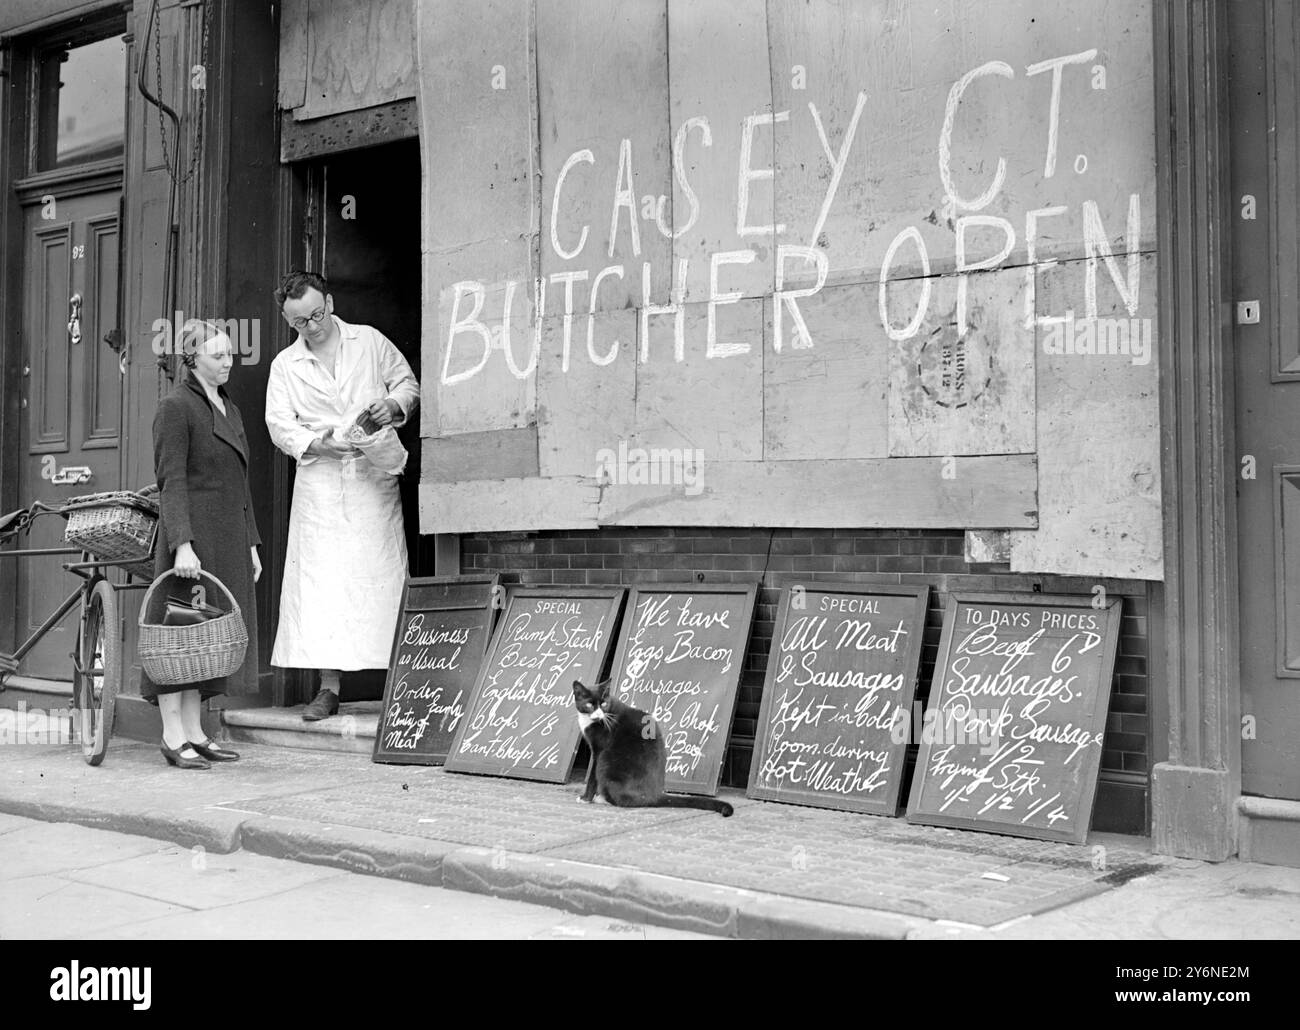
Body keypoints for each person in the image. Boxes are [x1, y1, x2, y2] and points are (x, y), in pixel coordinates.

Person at [265, 270, 420, 720]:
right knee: (323, 585)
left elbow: (407, 385)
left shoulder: (368, 341)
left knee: (380, 578)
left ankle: (399, 685)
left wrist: (393, 407)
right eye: (299, 322)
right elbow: (279, 423)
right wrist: (316, 445)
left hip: (372, 475)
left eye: (315, 315)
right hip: (321, 483)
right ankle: (328, 688)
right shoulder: (285, 365)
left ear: (329, 303)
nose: (311, 327)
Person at [146, 321, 261, 768]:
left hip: (228, 536)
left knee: (205, 638)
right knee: (182, 634)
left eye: (230, 353)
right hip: (193, 539)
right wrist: (182, 545)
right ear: (192, 360)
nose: (228, 361)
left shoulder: (229, 406)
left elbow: (241, 482)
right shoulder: (175, 407)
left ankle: (196, 730)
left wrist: (251, 543)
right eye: (217, 355)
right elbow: (170, 481)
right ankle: (172, 734)